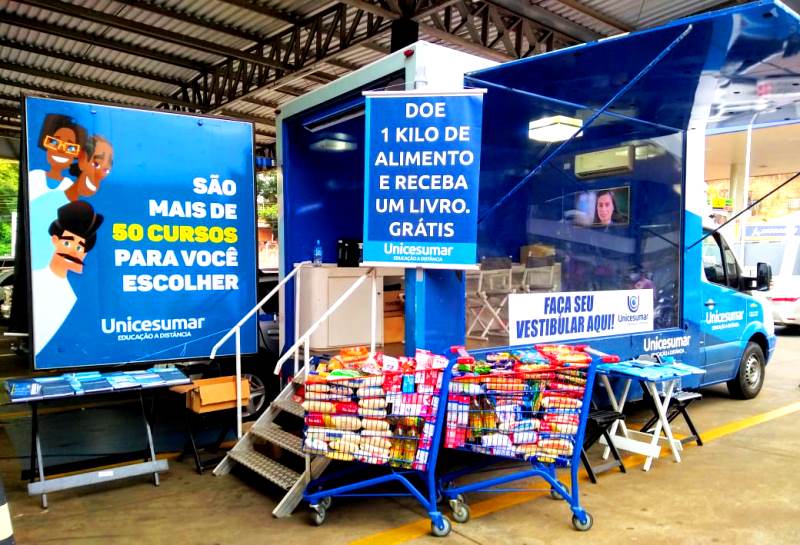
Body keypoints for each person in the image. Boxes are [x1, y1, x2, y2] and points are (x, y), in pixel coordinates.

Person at [29, 134, 113, 270]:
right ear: (81, 159)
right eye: (96, 164)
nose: (98, 175)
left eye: (106, 170)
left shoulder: (79, 213)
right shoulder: (48, 203)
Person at [31, 201, 103, 355]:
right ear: (55, 240)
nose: (73, 252)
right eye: (67, 243)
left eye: (80, 247)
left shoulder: (74, 295)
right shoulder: (36, 282)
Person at [28, 114, 87, 201]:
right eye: (54, 142)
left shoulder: (69, 185)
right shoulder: (34, 176)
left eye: (70, 147)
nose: (61, 150)